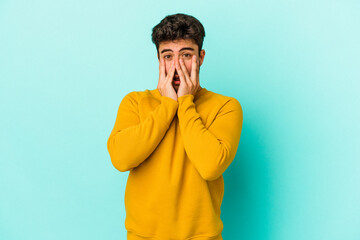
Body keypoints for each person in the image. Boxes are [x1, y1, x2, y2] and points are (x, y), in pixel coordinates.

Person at [107, 13, 243, 240]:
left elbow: (210, 166)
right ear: (159, 60)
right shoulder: (135, 103)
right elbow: (121, 159)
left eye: (186, 55)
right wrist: (168, 104)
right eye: (168, 56)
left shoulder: (226, 106)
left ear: (200, 57)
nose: (177, 65)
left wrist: (186, 103)